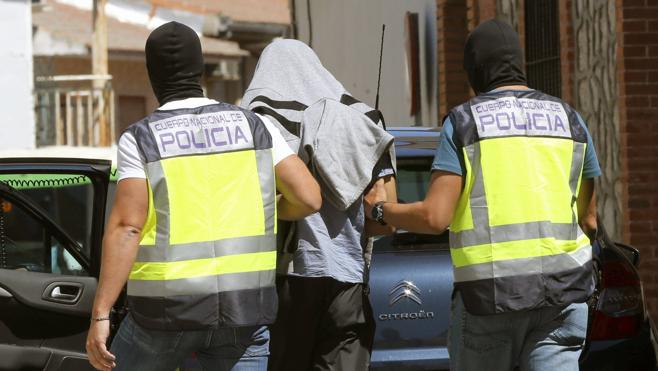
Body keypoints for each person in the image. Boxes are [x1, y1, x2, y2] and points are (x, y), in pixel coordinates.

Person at [365, 19, 600, 371]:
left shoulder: (464, 123)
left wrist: (381, 211)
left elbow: (435, 218)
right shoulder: (570, 119)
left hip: (490, 302)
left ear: (476, 69)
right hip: (563, 298)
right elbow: (590, 220)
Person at [85, 22, 322, 371]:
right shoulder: (255, 126)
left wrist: (100, 315)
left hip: (166, 314)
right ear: (200, 70)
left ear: (152, 75)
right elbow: (309, 198)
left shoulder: (141, 138)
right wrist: (268, 209)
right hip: (246, 312)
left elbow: (127, 228)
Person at [240, 39, 398, 371]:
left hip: (288, 280)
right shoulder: (363, 120)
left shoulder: (260, 119)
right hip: (349, 281)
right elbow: (384, 219)